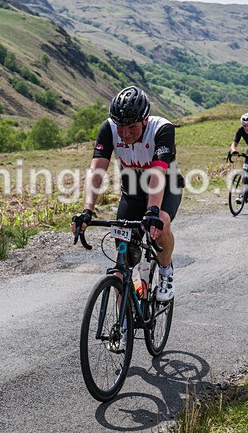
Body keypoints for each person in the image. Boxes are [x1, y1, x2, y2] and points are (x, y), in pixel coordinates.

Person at [72, 85, 182, 306]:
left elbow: (158, 174)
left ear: (145, 120)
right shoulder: (109, 129)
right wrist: (87, 211)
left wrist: (152, 211)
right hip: (132, 193)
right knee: (121, 262)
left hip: (166, 187)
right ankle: (122, 330)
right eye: (121, 126)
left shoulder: (162, 130)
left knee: (160, 226)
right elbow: (96, 171)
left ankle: (165, 270)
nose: (125, 133)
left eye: (132, 126)